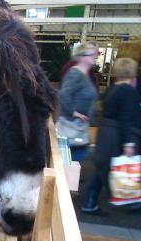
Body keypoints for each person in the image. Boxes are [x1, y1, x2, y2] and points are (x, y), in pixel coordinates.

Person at [82, 57, 141, 214]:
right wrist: (129, 142)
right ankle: (127, 197)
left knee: (103, 168)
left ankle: (90, 202)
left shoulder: (111, 88)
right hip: (116, 134)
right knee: (114, 168)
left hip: (105, 132)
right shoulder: (129, 91)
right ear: (132, 72)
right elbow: (126, 118)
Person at [56, 42, 99, 162]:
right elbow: (64, 94)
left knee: (74, 163)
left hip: (79, 128)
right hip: (72, 128)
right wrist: (74, 113)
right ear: (82, 57)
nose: (95, 55)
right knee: (70, 163)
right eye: (91, 53)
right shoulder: (75, 74)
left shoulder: (86, 74)